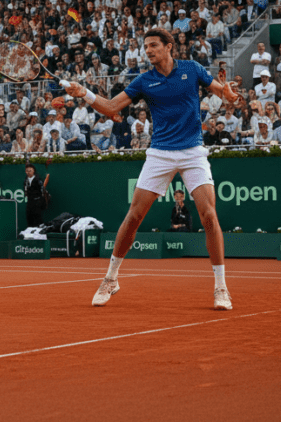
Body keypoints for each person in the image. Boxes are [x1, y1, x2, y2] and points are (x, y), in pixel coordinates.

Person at [67, 28, 241, 310]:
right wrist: (84, 93)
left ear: (169, 46)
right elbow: (111, 106)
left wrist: (230, 94)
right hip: (160, 153)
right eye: (145, 46)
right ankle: (111, 279)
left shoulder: (192, 69)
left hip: (192, 151)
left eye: (153, 46)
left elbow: (224, 94)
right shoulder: (144, 81)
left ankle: (221, 287)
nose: (148, 51)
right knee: (134, 216)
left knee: (209, 214)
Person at [23, 163, 47, 228]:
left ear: (33, 171)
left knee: (37, 217)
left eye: (30, 170)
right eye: (27, 171)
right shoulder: (25, 180)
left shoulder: (38, 180)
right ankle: (30, 230)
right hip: (29, 201)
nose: (28, 172)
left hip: (37, 201)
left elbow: (42, 190)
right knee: (29, 217)